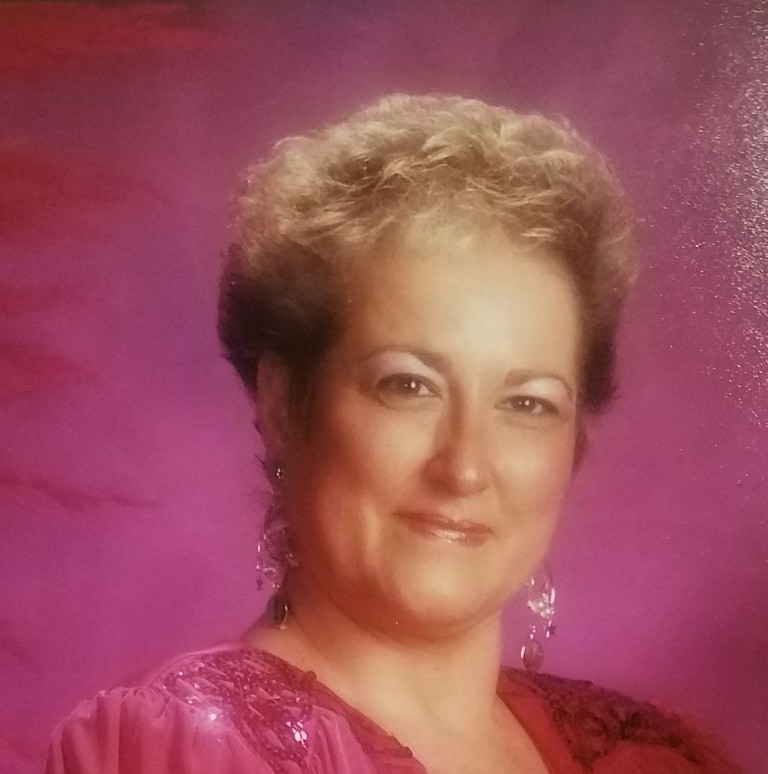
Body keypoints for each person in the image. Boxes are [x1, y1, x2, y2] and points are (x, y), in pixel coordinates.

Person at [46, 94, 738, 774]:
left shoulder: (655, 760)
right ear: (285, 406)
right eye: (408, 386)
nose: (465, 468)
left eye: (528, 403)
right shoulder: (176, 751)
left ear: (574, 449)